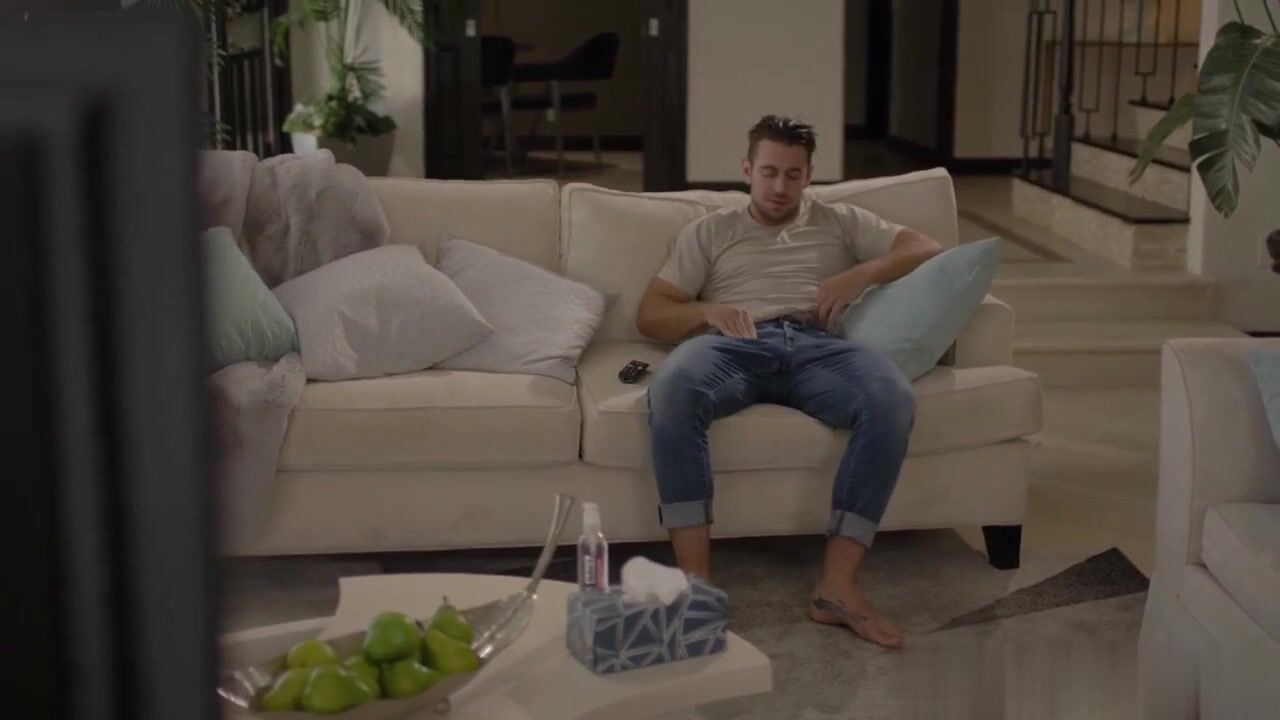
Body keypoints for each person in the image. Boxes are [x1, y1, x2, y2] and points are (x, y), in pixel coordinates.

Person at [635, 115, 943, 649]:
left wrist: (859, 274)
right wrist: (706, 312)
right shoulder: (711, 231)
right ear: (747, 170)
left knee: (891, 398)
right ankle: (696, 587)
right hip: (734, 343)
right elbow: (650, 315)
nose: (780, 187)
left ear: (809, 175)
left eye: (793, 175)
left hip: (819, 346)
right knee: (672, 390)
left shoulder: (840, 220)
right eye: (769, 172)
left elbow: (925, 246)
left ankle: (837, 588)